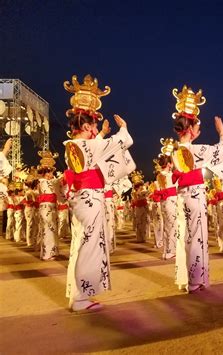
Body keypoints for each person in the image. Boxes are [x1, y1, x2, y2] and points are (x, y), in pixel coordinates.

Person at [63, 74, 135, 311]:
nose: (95, 129)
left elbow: (99, 150)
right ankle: (81, 298)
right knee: (90, 247)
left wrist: (104, 135)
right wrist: (123, 129)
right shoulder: (85, 145)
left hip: (83, 199)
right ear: (85, 126)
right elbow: (119, 142)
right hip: (90, 199)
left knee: (81, 245)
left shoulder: (74, 146)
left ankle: (77, 293)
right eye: (93, 125)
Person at [171, 85, 223, 293]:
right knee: (196, 236)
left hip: (183, 196)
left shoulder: (175, 151)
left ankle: (185, 279)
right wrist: (221, 132)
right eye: (196, 127)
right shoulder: (198, 150)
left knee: (185, 235)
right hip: (195, 195)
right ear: (191, 130)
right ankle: (195, 281)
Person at [153, 138, 178, 259]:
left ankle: (167, 251)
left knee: (168, 228)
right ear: (168, 164)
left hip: (164, 204)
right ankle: (170, 251)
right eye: (171, 163)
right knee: (172, 227)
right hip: (171, 203)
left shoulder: (159, 176)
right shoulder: (170, 175)